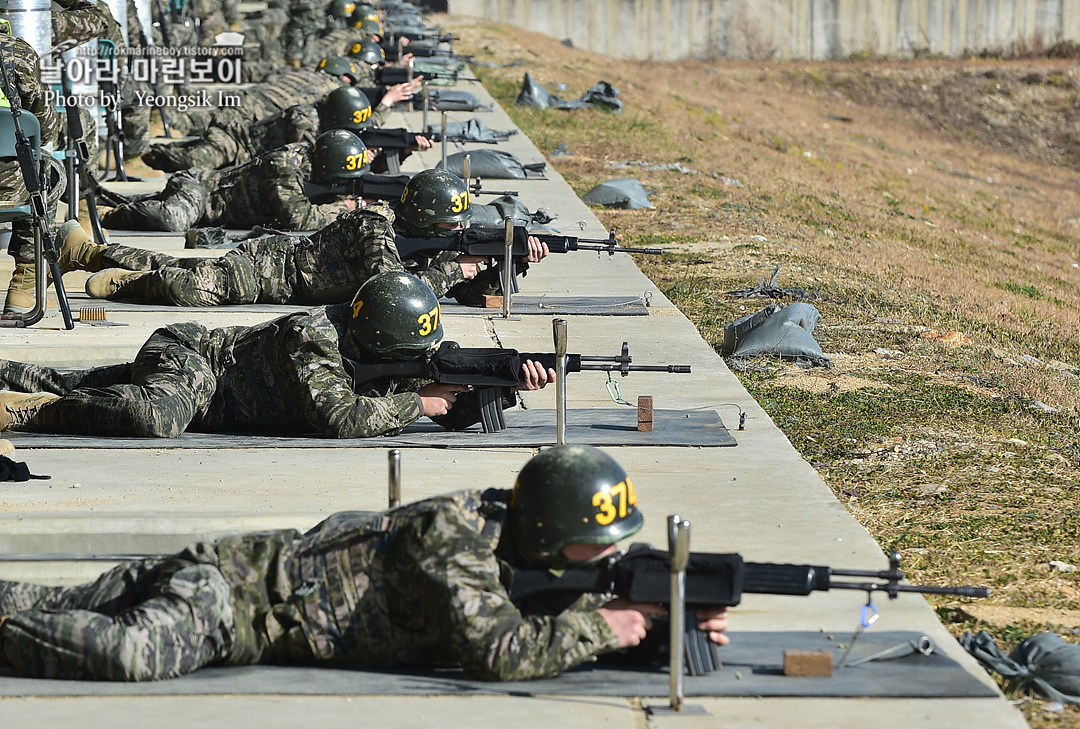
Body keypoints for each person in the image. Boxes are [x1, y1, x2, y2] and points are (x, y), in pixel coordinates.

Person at [0, 444, 730, 681]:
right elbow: (501, 649)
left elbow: (536, 612)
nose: (608, 558)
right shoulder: (454, 537)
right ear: (548, 531)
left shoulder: (518, 542)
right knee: (130, 651)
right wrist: (616, 624)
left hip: (232, 576)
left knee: (45, 600)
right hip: (231, 600)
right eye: (598, 546)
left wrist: (660, 625)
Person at [0, 270, 553, 437]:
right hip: (199, 360)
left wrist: (499, 386)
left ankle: (19, 378)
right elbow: (340, 419)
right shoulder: (312, 338)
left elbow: (446, 400)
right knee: (154, 416)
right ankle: (30, 412)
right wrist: (421, 405)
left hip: (216, 397)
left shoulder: (388, 347)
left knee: (73, 379)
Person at [69, 168, 547, 306]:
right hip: (271, 269)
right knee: (185, 284)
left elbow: (466, 295)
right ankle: (97, 257)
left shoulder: (428, 247)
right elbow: (389, 293)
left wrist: (507, 262)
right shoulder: (375, 225)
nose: (458, 233)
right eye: (450, 227)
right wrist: (448, 268)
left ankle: (94, 254)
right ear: (423, 220)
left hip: (287, 284)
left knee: (181, 272)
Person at [98, 131, 370, 233]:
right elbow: (299, 220)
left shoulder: (311, 165)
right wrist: (343, 207)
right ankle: (106, 215)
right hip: (201, 190)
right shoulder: (286, 166)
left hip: (207, 207)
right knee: (173, 219)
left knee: (153, 206)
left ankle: (99, 200)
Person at [0, 19, 62, 315]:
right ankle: (25, 282)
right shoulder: (16, 53)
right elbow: (45, 131)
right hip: (8, 187)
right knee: (46, 173)